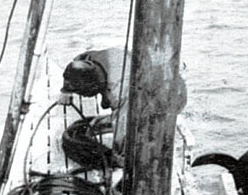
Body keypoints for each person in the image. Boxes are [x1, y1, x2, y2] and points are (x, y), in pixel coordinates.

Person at [59, 47, 187, 157]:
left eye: (82, 93)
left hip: (170, 96)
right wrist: (66, 91)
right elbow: (77, 60)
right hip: (158, 78)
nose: (83, 97)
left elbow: (122, 129)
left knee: (143, 128)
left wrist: (117, 159)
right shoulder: (96, 59)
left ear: (92, 87)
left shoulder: (117, 92)